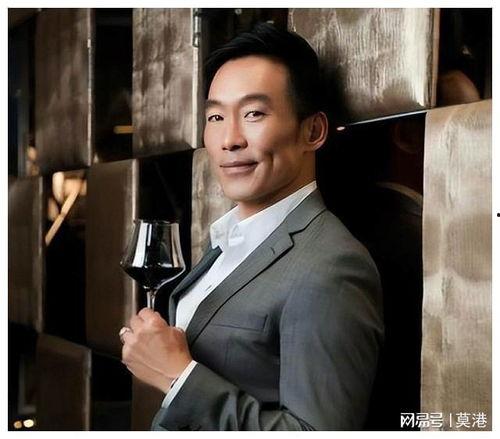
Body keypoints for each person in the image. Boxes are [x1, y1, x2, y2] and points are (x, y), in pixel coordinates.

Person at [119, 22, 384, 431]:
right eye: (216, 116)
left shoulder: (332, 268)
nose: (230, 139)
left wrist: (177, 378)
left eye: (253, 114)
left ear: (313, 131)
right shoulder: (230, 240)